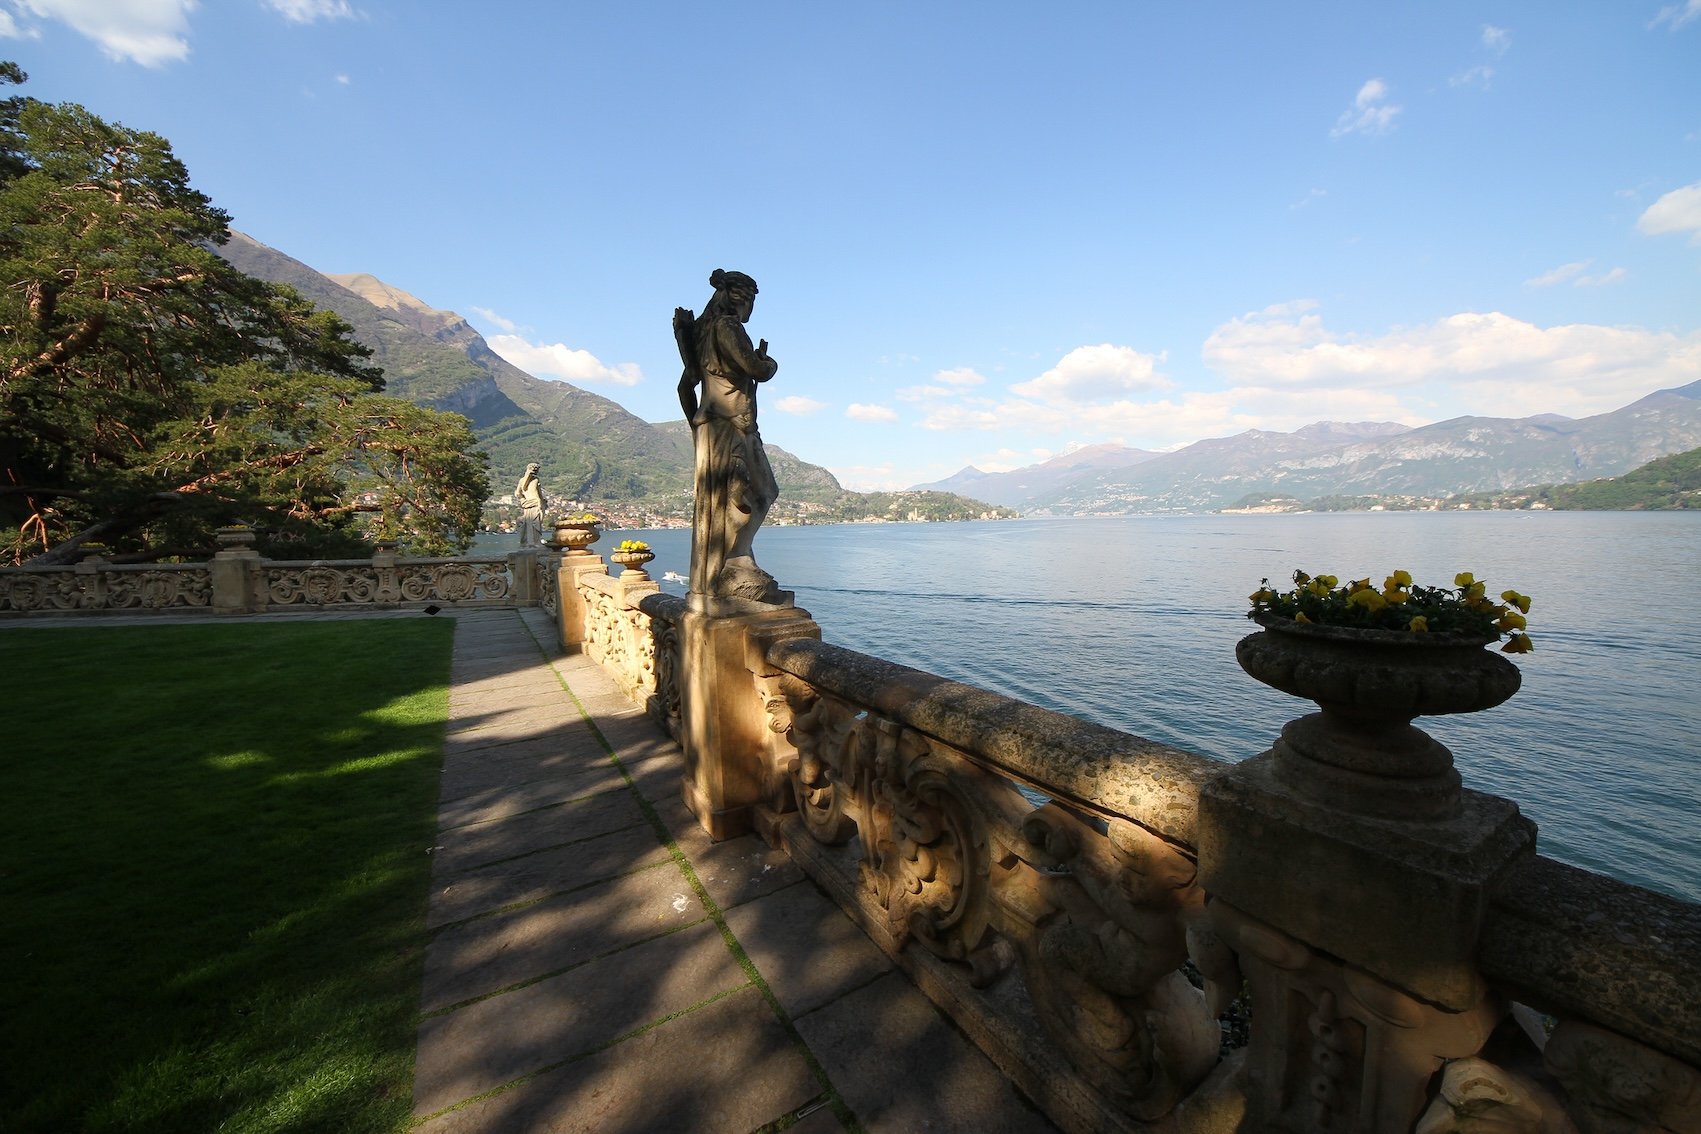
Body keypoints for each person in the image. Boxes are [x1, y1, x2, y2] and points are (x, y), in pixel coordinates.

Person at [674, 269, 783, 602]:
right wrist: (769, 361)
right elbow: (758, 369)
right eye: (751, 300)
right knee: (744, 496)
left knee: (760, 493)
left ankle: (737, 558)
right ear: (742, 298)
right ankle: (733, 565)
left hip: (728, 425)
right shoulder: (726, 327)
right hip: (729, 426)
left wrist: (696, 424)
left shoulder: (705, 335)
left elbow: (684, 386)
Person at [514, 462, 545, 547]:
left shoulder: (531, 480)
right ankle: (532, 543)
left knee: (534, 524)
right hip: (532, 504)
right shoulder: (530, 480)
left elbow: (518, 493)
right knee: (533, 523)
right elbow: (518, 493)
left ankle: (533, 542)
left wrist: (541, 503)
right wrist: (523, 500)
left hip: (533, 504)